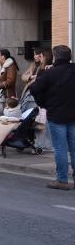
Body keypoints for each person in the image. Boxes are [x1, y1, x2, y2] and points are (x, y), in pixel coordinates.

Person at [30, 45, 75, 191]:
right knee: (74, 147)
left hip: (56, 113)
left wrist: (43, 103)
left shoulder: (51, 73)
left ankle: (62, 179)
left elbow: (34, 89)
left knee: (60, 148)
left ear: (55, 57)